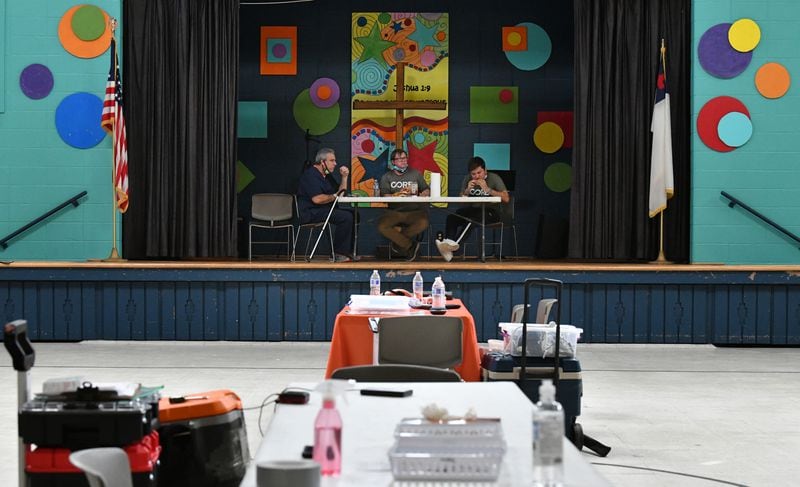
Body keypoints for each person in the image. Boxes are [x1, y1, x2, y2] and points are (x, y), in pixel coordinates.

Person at [436, 156, 509, 261]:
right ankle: (449, 245)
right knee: (452, 217)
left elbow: (506, 198)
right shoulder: (467, 179)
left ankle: (452, 248)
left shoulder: (494, 178)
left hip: (492, 212)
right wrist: (467, 191)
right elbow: (462, 200)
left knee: (472, 220)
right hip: (474, 209)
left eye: (479, 173)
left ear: (485, 170)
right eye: (473, 174)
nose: (476, 176)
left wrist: (488, 189)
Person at [296, 148, 355, 262]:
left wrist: (344, 177)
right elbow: (317, 199)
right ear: (322, 162)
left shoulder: (326, 175)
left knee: (354, 214)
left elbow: (340, 193)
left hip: (323, 210)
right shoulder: (311, 175)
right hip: (311, 212)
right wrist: (334, 196)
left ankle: (349, 251)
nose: (335, 163)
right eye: (332, 160)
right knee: (346, 217)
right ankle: (338, 253)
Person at [377, 149, 430, 261]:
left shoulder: (415, 173)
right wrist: (397, 194)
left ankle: (398, 243)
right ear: (393, 162)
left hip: (414, 211)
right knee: (382, 226)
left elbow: (426, 190)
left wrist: (422, 194)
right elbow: (384, 196)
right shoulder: (387, 177)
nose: (403, 161)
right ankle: (410, 245)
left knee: (423, 223)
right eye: (399, 159)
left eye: (405, 158)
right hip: (394, 211)